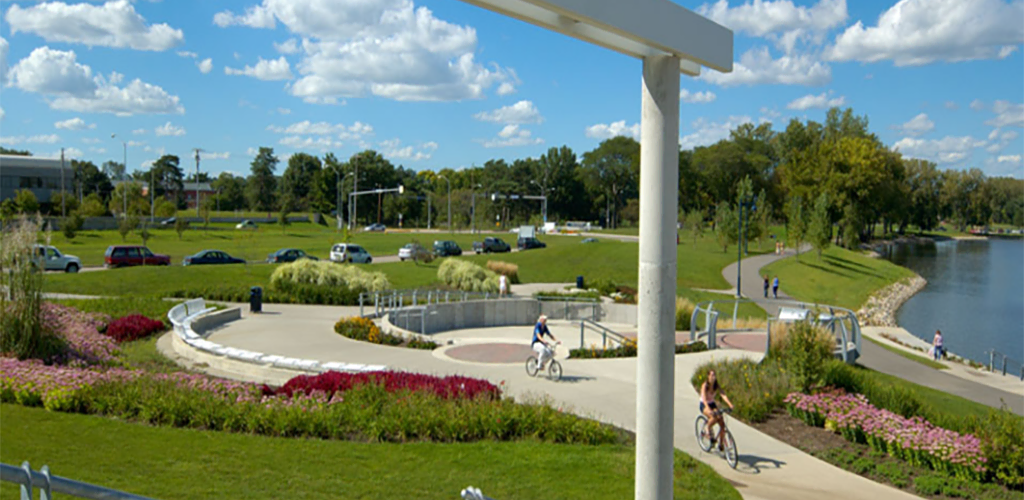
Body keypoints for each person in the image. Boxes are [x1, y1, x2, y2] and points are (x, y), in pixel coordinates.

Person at [700, 370, 734, 451]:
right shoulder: (705, 385)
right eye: (711, 375)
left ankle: (721, 444)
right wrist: (708, 409)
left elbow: (723, 394)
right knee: (714, 417)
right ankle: (707, 428)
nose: (713, 377)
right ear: (708, 376)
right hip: (704, 404)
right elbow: (704, 399)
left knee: (722, 422)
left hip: (712, 403)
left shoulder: (716, 385)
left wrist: (730, 404)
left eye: (714, 375)